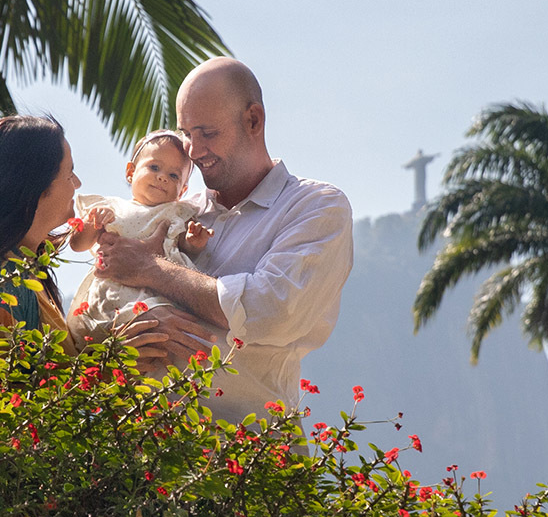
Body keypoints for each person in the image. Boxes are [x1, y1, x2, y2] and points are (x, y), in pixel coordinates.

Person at [94, 58, 354, 425]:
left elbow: (272, 309)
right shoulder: (174, 210)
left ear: (253, 121)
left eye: (208, 133)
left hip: (244, 462)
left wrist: (151, 269)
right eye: (187, 133)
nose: (193, 150)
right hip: (137, 454)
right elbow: (104, 294)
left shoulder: (315, 207)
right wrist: (123, 339)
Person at [0, 115, 188, 361]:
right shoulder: (1, 288)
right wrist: (108, 364)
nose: (77, 184)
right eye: (69, 174)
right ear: (34, 186)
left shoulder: (28, 274)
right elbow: (0, 398)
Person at [66, 130, 213, 343]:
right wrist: (92, 223)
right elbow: (77, 245)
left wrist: (193, 242)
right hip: (113, 291)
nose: (162, 177)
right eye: (154, 167)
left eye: (174, 176)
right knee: (104, 342)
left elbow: (182, 247)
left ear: (182, 190)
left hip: (159, 294)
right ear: (130, 172)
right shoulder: (111, 207)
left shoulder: (177, 214)